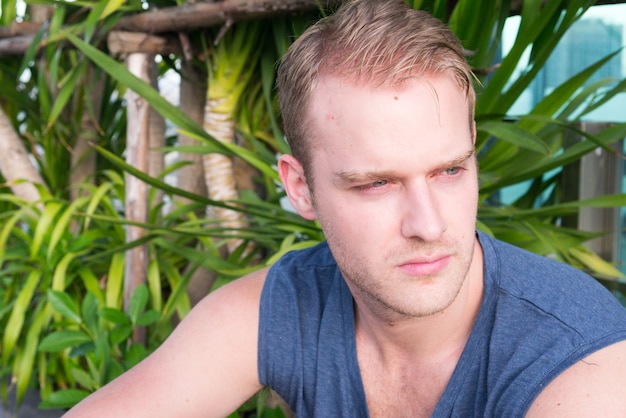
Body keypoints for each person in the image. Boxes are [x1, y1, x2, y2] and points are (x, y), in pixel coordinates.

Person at [64, 0, 626, 416]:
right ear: (301, 187)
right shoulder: (287, 306)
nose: (429, 225)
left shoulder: (580, 357)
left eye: (450, 170)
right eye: (376, 183)